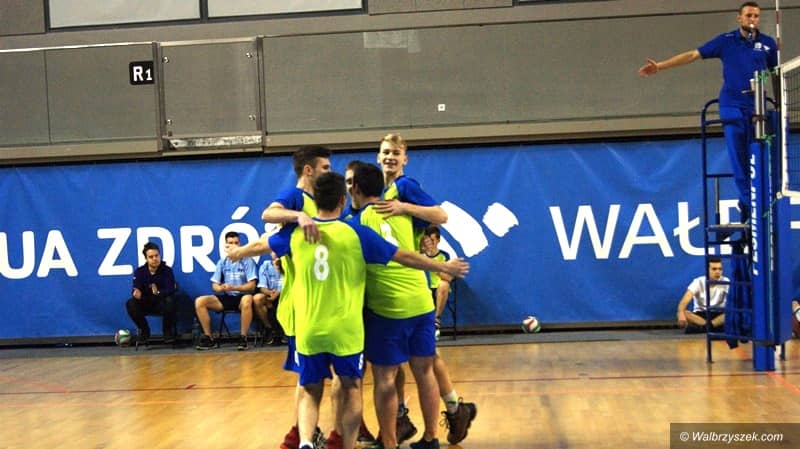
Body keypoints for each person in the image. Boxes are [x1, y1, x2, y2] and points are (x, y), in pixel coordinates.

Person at [228, 172, 469, 449]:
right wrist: (442, 266)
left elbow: (261, 245)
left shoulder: (293, 234)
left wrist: (237, 253)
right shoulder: (356, 232)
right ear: (342, 200)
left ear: (314, 200)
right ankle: (348, 442)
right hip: (346, 331)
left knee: (309, 390)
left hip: (310, 329)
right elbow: (403, 256)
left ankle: (305, 442)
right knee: (352, 388)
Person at [351, 161, 475, 449]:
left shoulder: (357, 224)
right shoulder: (403, 213)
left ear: (355, 189)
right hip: (421, 302)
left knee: (385, 377)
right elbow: (436, 218)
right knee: (425, 370)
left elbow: (399, 254)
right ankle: (431, 437)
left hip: (388, 307)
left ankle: (390, 442)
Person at [638, 1, 778, 216]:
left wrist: (780, 104)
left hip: (757, 107)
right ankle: (754, 209)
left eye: (756, 16)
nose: (752, 19)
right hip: (732, 105)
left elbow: (777, 73)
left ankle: (747, 208)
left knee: (758, 158)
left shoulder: (768, 44)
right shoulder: (726, 41)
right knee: (739, 159)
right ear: (739, 17)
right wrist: (661, 66)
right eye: (748, 15)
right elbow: (693, 55)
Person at [194, 231, 257, 351]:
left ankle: (243, 338)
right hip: (227, 297)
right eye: (230, 243)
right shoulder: (222, 262)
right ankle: (209, 338)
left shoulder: (248, 261)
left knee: (247, 299)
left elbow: (252, 286)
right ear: (226, 245)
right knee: (200, 301)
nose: (233, 246)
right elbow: (215, 285)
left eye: (236, 243)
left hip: (242, 297)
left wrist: (234, 288)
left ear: (240, 244)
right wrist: (221, 288)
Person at [124, 242, 178, 345]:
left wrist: (158, 292)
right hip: (146, 303)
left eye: (156, 256)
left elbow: (171, 289)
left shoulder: (167, 271)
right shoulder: (140, 272)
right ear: (146, 259)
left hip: (162, 303)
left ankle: (167, 331)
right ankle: (145, 331)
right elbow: (136, 288)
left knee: (171, 301)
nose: (155, 259)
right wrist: (136, 293)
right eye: (151, 257)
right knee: (130, 303)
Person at [677, 257, 730, 333]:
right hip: (701, 315)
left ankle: (704, 328)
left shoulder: (726, 281)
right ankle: (713, 328)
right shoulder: (698, 282)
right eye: (714, 269)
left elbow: (735, 301)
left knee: (731, 313)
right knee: (685, 313)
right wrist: (680, 313)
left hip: (719, 315)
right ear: (707, 270)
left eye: (720, 269)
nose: (718, 272)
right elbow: (684, 302)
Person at [421, 225, 453, 339]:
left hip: (439, 288)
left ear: (438, 240)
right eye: (427, 240)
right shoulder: (419, 256)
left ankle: (436, 319)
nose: (430, 243)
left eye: (433, 240)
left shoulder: (444, 256)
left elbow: (448, 277)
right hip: (422, 288)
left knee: (444, 284)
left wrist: (433, 266)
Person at [253, 252, 284, 345]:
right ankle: (269, 329)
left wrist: (278, 293)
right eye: (273, 250)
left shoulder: (289, 264)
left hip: (286, 296)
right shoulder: (265, 266)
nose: (276, 252)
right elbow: (262, 287)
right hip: (270, 297)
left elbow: (290, 283)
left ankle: (287, 332)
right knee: (257, 298)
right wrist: (270, 293)